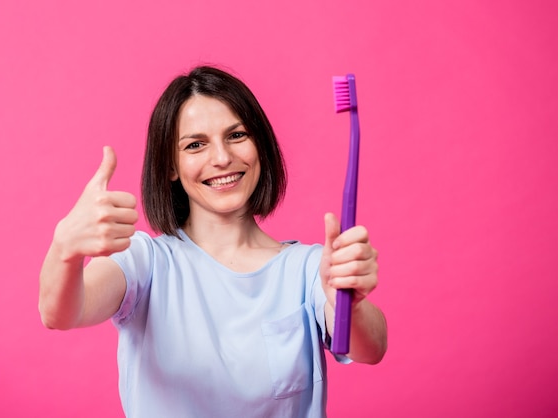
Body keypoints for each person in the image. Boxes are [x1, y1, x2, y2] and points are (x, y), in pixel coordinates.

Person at [39, 65, 387, 417]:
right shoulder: (144, 261)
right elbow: (61, 313)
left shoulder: (310, 269)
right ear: (171, 167)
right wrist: (64, 250)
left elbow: (371, 349)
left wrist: (350, 302)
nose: (221, 158)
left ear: (260, 146)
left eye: (236, 136)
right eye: (195, 145)